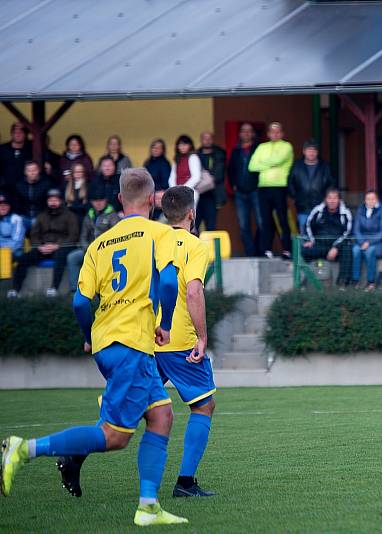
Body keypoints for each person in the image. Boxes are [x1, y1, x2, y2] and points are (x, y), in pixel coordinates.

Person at [0, 168, 186, 526]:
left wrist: (88, 336)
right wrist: (164, 325)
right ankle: (23, 448)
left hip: (108, 343)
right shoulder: (160, 233)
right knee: (114, 437)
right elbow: (168, 282)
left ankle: (148, 506)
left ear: (119, 200)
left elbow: (80, 303)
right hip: (133, 343)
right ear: (153, 200)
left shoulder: (99, 244)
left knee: (161, 416)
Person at [155, 186, 215, 497]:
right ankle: (185, 483)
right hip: (178, 339)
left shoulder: (152, 241)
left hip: (145, 337)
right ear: (191, 213)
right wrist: (202, 337)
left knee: (122, 409)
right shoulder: (196, 246)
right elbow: (193, 292)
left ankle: (74, 453)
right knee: (204, 405)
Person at [8, 189, 78, 298]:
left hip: (61, 247)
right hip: (43, 248)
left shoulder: (70, 216)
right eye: (50, 200)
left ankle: (53, 288)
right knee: (24, 258)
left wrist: (57, 245)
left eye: (56, 200)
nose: (53, 203)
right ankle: (15, 290)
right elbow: (34, 234)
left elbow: (73, 235)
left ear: (60, 201)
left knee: (60, 256)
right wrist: (40, 246)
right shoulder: (42, 216)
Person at [249, 122, 293, 260]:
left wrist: (263, 163)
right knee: (265, 220)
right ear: (268, 134)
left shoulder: (287, 146)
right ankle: (266, 249)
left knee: (282, 219)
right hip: (264, 187)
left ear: (282, 133)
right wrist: (270, 164)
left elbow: (278, 159)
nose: (275, 134)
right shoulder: (262, 146)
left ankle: (287, 249)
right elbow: (252, 166)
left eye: (278, 131)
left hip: (280, 186)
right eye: (272, 131)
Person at [66, 189, 120, 293]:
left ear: (105, 201)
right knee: (72, 257)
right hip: (89, 250)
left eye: (101, 200)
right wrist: (88, 249)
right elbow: (83, 236)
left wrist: (101, 250)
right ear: (91, 202)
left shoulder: (113, 216)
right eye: (95, 200)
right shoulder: (89, 215)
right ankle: (74, 290)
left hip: (107, 252)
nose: (98, 203)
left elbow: (116, 238)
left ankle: (103, 291)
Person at [302, 188, 352, 286]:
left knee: (348, 249)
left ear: (339, 200)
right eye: (329, 198)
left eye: (335, 198)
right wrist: (310, 240)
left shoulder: (345, 213)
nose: (332, 201)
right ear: (325, 199)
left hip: (337, 247)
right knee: (303, 250)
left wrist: (336, 247)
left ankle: (342, 284)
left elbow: (348, 233)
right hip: (320, 245)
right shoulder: (317, 210)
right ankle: (305, 281)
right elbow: (308, 225)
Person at [227, 123, 262, 257]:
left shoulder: (258, 148)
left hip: (256, 191)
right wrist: (233, 185)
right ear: (240, 134)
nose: (246, 133)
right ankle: (250, 252)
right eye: (243, 131)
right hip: (240, 192)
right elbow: (230, 170)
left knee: (262, 223)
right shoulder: (236, 150)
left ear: (253, 134)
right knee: (243, 225)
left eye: (249, 131)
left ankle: (259, 249)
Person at [288, 139, 335, 236]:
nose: (311, 153)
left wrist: (327, 199)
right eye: (309, 150)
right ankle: (305, 251)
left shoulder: (325, 166)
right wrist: (296, 196)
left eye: (314, 150)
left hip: (321, 207)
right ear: (304, 151)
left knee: (320, 234)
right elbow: (290, 183)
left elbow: (331, 184)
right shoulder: (297, 166)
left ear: (317, 152)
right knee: (304, 234)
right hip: (302, 207)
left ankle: (319, 252)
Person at [351, 190, 382, 290]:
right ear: (365, 200)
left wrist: (369, 242)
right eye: (368, 199)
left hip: (378, 242)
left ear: (377, 200)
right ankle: (356, 280)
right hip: (362, 241)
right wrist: (362, 242)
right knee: (355, 250)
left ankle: (370, 281)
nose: (370, 201)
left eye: (373, 199)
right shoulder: (360, 210)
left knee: (370, 251)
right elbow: (356, 229)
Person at [196, 131, 226, 231]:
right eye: (205, 138)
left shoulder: (219, 153)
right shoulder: (195, 155)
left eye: (209, 138)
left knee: (211, 226)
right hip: (198, 196)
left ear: (212, 139)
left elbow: (219, 173)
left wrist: (205, 180)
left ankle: (209, 247)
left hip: (213, 195)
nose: (207, 140)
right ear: (201, 140)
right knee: (194, 225)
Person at [0, 122, 31, 201]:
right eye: (15, 132)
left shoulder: (31, 148)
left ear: (25, 134)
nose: (18, 134)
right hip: (5, 189)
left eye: (21, 132)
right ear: (11, 134)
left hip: (25, 189)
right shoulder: (2, 149)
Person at [15, 161, 51, 230]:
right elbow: (17, 203)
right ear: (25, 172)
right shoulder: (20, 185)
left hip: (40, 216)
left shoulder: (46, 184)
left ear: (38, 170)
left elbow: (48, 203)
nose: (32, 173)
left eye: (34, 170)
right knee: (16, 222)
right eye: (29, 171)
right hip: (24, 216)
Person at [168, 135, 202, 204]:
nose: (182, 147)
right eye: (180, 145)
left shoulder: (193, 157)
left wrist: (183, 189)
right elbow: (172, 177)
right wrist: (174, 190)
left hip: (189, 192)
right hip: (177, 194)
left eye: (185, 144)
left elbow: (196, 177)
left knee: (188, 214)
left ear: (190, 145)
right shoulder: (177, 159)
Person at [144, 139, 171, 220]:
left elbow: (166, 182)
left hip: (159, 196)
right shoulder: (148, 163)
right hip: (147, 195)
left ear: (163, 150)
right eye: (154, 147)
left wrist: (157, 194)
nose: (156, 149)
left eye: (159, 148)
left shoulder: (164, 163)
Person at [0, 194, 24, 259]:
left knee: (19, 254)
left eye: (5, 205)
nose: (2, 207)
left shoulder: (16, 219)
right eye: (0, 205)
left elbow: (17, 241)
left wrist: (3, 251)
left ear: (10, 207)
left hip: (14, 250)